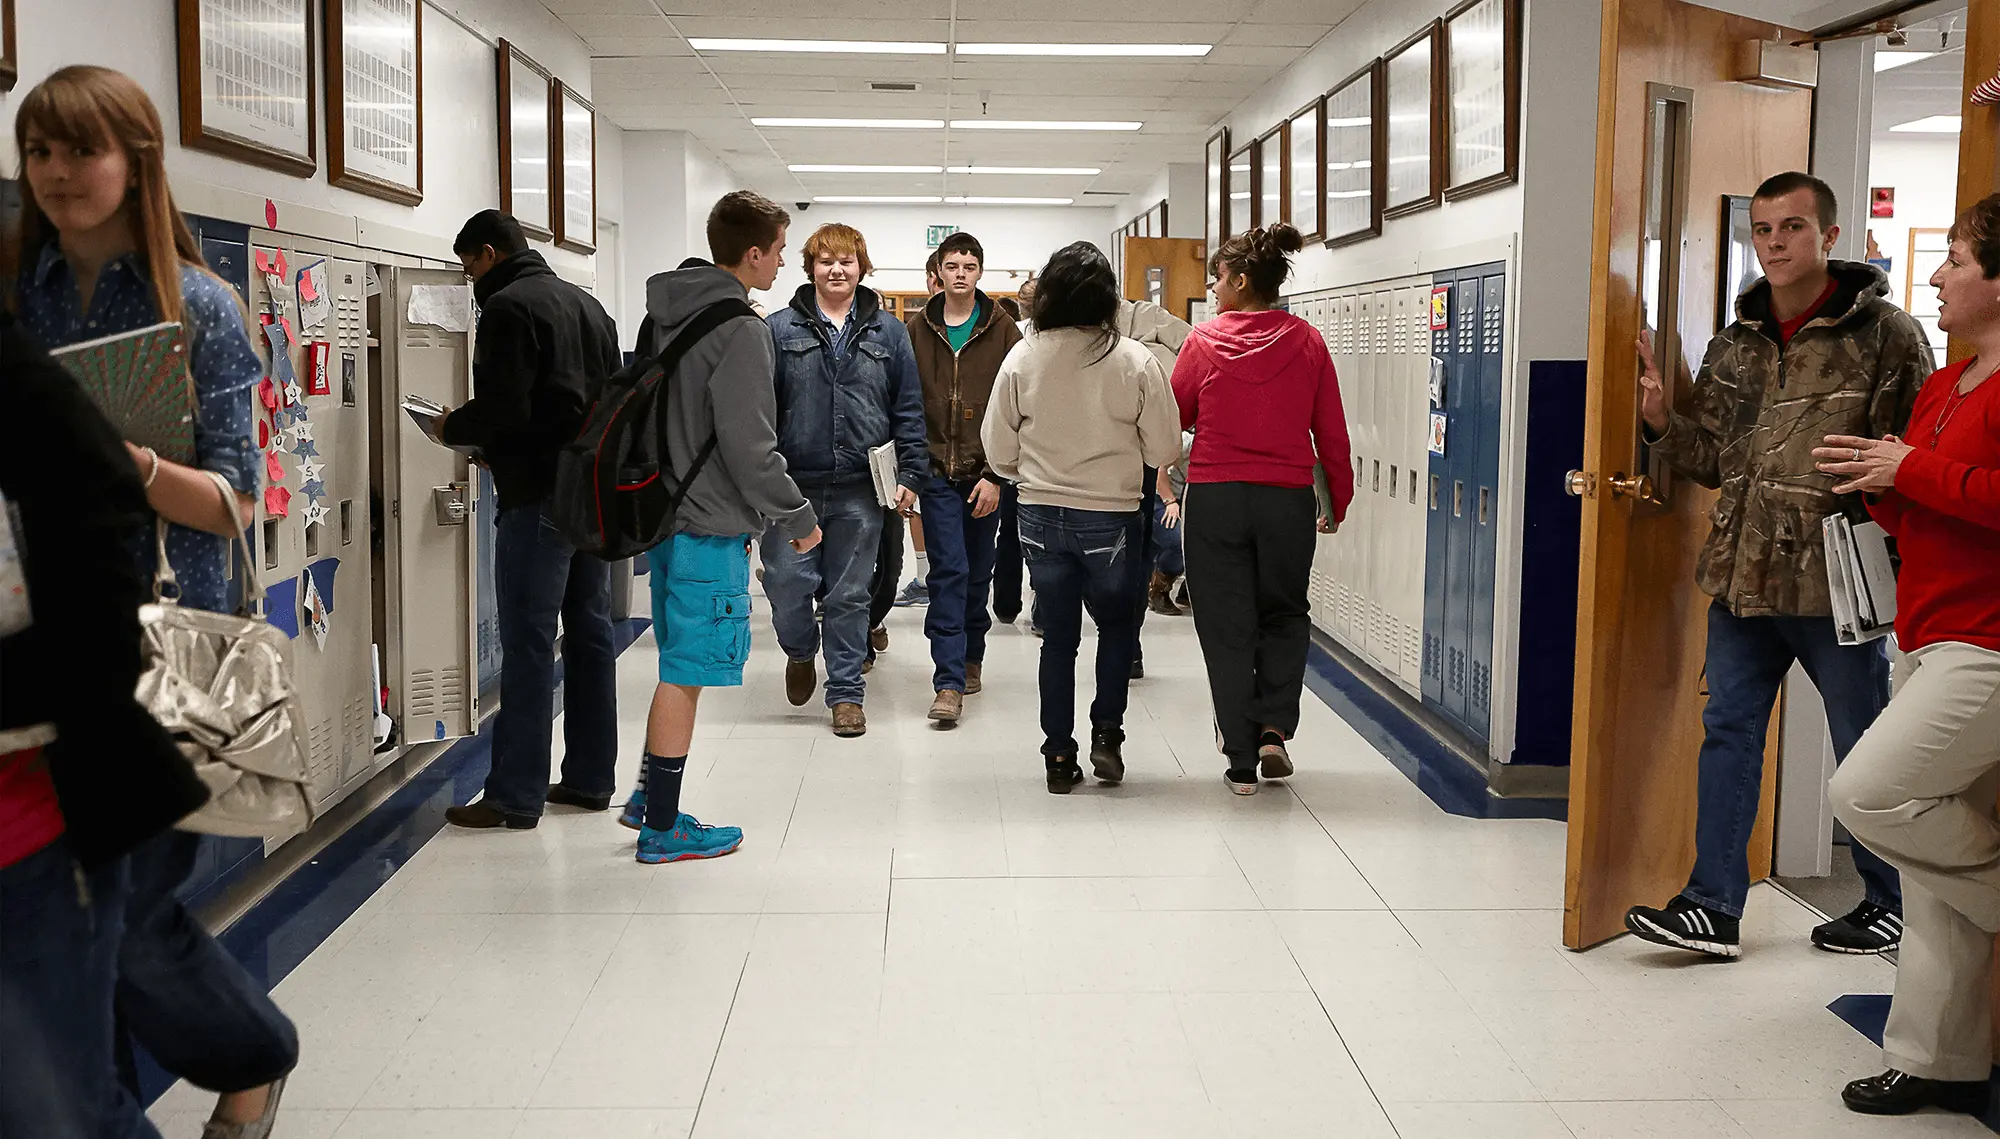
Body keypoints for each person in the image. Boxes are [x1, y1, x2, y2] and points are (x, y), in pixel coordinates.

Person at [7, 64, 297, 1139]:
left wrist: (117, 462)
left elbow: (234, 499)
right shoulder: (18, 299)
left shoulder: (201, 308)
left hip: (160, 651)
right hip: (42, 646)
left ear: (134, 164)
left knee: (122, 918)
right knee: (78, 918)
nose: (55, 173)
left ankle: (254, 1056)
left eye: (79, 150)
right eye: (38, 150)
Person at [1622, 172, 1933, 959]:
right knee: (1727, 730)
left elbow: (1916, 458)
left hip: (1840, 581)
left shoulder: (1886, 335)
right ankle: (1712, 906)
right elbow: (1713, 460)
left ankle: (1890, 900)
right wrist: (1660, 421)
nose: (1775, 244)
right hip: (1742, 579)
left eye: (1792, 228)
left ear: (1829, 236)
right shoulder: (1738, 343)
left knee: (1865, 742)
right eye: (1763, 230)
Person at [1, 312, 212, 1139]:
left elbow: (100, 614)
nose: (59, 172)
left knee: (61, 1109)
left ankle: (254, 1055)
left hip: (41, 819)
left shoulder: (24, 391)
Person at [1821, 194, 2000, 1118]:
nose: (1935, 273)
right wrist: (1878, 481)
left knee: (1868, 793)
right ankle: (1938, 1055)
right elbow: (1930, 503)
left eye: (1957, 260)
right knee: (1931, 870)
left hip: (1989, 646)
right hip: (1926, 634)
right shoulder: (1947, 385)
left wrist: (1912, 472)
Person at [615, 192, 822, 863]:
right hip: (709, 522)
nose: (784, 261)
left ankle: (649, 798)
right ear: (754, 252)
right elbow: (750, 445)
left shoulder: (671, 313)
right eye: (780, 249)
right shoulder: (739, 328)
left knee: (678, 662)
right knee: (687, 670)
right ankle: (663, 826)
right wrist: (798, 515)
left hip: (668, 515)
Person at [438, 210, 623, 830]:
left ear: (488, 253)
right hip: (591, 495)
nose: (469, 281)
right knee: (591, 632)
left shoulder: (509, 308)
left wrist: (450, 428)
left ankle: (514, 794)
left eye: (469, 267)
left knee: (528, 640)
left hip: (536, 497)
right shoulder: (589, 307)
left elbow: (505, 407)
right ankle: (592, 778)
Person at [984, 243, 1181, 793]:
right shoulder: (1134, 359)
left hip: (1040, 515)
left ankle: (1057, 756)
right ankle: (1107, 737)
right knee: (1118, 627)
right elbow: (1164, 446)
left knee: (1059, 638)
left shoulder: (1022, 357)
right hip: (1111, 519)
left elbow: (998, 453)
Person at [1173, 222, 1353, 795]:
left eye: (1218, 278)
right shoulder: (1307, 342)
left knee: (1227, 628)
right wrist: (1337, 500)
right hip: (1286, 500)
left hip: (1217, 499)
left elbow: (1173, 415)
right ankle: (1274, 729)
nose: (1213, 289)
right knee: (1284, 612)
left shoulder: (1203, 343)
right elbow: (1331, 432)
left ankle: (1241, 762)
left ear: (1242, 279)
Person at [762, 224, 926, 737]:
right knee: (787, 583)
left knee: (850, 595)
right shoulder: (777, 329)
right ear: (810, 267)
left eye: (847, 261)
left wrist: (912, 473)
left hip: (861, 486)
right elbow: (760, 410)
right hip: (792, 490)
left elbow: (909, 409)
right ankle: (799, 650)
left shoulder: (890, 332)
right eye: (826, 260)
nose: (837, 269)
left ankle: (847, 694)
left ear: (862, 266)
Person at [907, 232, 1024, 725]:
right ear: (939, 271)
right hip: (935, 472)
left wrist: (997, 475)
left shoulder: (1003, 332)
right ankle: (948, 680)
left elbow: (1018, 409)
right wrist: (910, 473)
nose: (960, 274)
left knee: (979, 571)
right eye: (952, 265)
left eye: (969, 266)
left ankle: (972, 651)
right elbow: (905, 406)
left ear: (980, 272)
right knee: (949, 571)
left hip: (985, 474)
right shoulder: (916, 329)